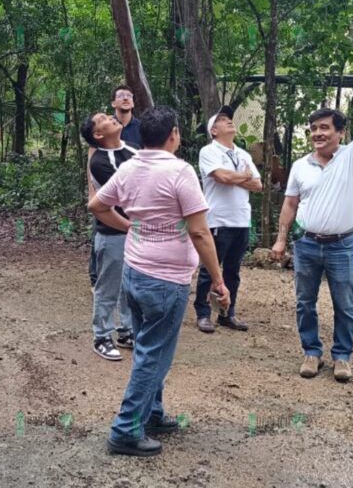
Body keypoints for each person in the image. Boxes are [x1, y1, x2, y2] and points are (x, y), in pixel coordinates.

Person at [89, 105, 230, 457]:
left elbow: (97, 205)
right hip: (166, 280)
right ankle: (124, 430)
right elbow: (199, 232)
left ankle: (151, 414)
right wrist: (218, 279)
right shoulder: (180, 172)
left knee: (148, 348)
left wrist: (131, 226)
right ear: (174, 135)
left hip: (135, 272)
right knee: (155, 356)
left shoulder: (130, 166)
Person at [271, 52, 353, 382]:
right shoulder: (299, 166)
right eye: (313, 130)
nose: (318, 134)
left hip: (342, 245)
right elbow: (290, 204)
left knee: (344, 304)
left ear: (340, 132)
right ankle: (311, 352)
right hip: (307, 245)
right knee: (304, 302)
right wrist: (281, 239)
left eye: (324, 128)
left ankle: (342, 357)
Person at [193, 105, 262, 333]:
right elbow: (220, 176)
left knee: (233, 270)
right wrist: (243, 176)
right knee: (209, 268)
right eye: (222, 120)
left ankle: (227, 313)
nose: (229, 122)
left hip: (241, 219)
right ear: (213, 131)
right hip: (217, 219)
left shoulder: (244, 154)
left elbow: (258, 184)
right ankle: (203, 313)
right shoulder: (209, 152)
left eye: (229, 119)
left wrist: (235, 178)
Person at [81, 112, 138, 361]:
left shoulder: (135, 151)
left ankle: (126, 330)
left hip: (136, 231)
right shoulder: (100, 162)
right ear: (98, 134)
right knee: (108, 285)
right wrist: (129, 226)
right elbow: (125, 193)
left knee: (129, 285)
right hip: (113, 232)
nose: (111, 117)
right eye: (103, 118)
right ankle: (102, 335)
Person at [88, 84, 143, 287]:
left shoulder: (141, 129)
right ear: (114, 103)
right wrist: (91, 192)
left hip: (136, 207)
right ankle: (96, 278)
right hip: (108, 196)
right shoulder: (102, 128)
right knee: (102, 233)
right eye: (121, 96)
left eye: (129, 95)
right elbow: (92, 161)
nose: (126, 98)